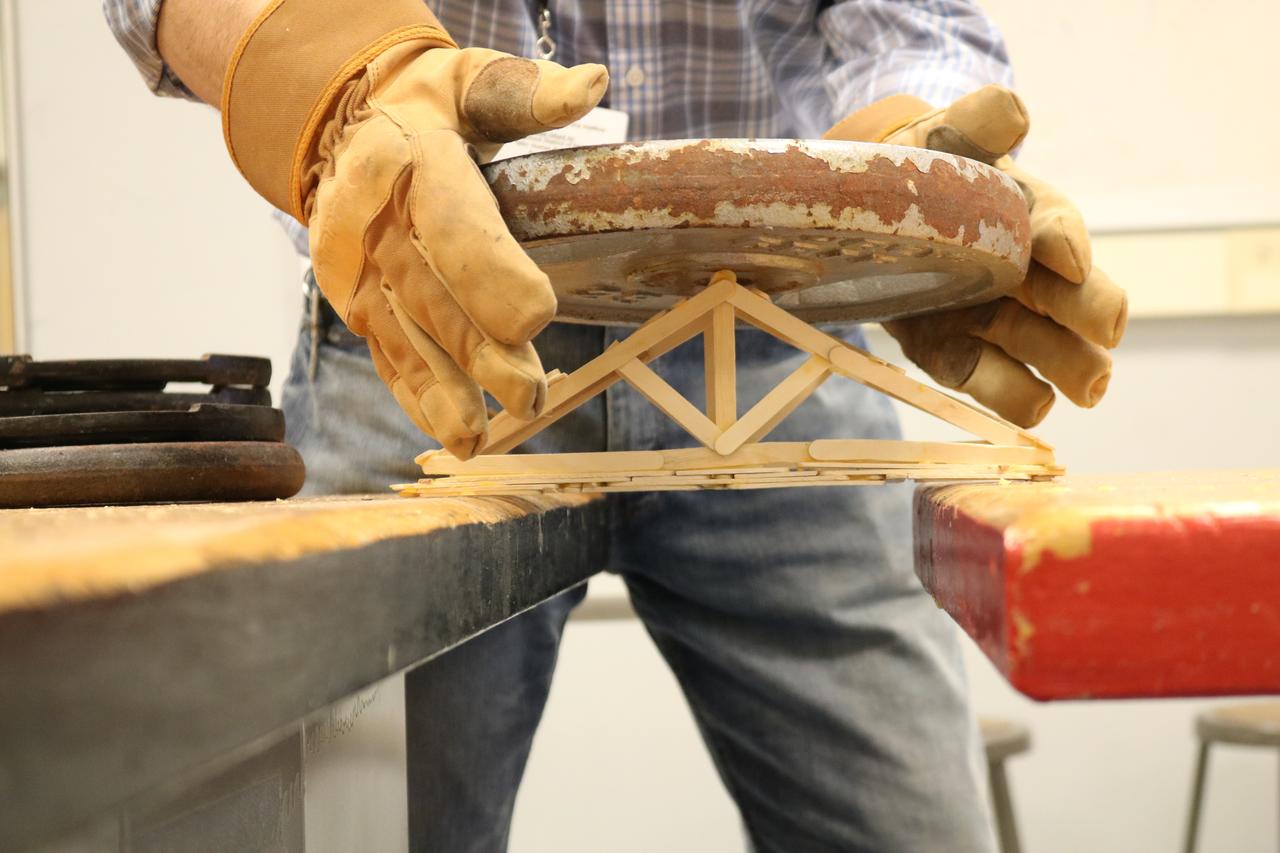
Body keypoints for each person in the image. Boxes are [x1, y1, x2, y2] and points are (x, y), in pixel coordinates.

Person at [103, 2, 1126, 850]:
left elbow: (903, 19)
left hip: (782, 334)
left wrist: (915, 173)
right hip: (441, 326)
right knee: (360, 821)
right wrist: (331, 74)